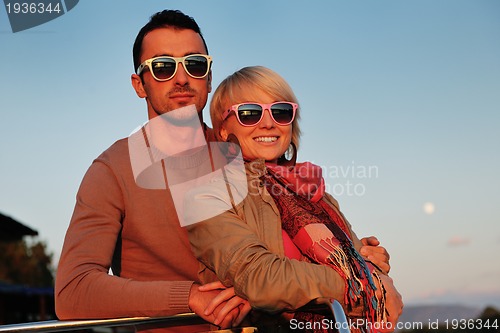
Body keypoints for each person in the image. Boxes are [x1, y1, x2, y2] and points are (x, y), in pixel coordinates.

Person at [55, 9, 392, 333]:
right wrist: (186, 297)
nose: (182, 78)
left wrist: (351, 253)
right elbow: (73, 290)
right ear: (139, 84)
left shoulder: (244, 146)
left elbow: (285, 239)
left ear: (209, 77)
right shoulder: (113, 171)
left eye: (195, 64)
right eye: (162, 67)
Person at [185, 66, 403, 332]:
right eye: (249, 113)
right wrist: (365, 284)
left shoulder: (316, 195)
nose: (268, 123)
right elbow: (261, 278)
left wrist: (372, 264)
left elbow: (364, 263)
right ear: (222, 130)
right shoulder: (207, 195)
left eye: (280, 111)